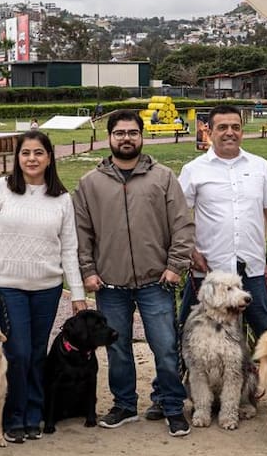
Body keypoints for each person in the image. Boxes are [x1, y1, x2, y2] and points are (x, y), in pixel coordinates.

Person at [174, 104, 267, 419]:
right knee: (187, 333)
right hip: (209, 273)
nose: (230, 133)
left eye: (235, 126)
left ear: (242, 129)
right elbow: (179, 215)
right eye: (222, 127)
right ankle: (172, 393)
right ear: (209, 130)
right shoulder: (195, 169)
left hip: (251, 267)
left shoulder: (260, 166)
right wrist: (190, 249)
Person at [73, 110, 195, 437]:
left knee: (166, 346)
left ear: (142, 136)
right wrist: (88, 270)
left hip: (157, 281)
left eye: (132, 132)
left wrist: (175, 266)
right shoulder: (90, 183)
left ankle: (172, 405)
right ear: (109, 138)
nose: (126, 138)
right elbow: (81, 233)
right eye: (119, 133)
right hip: (110, 284)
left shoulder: (163, 177)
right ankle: (124, 405)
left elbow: (182, 225)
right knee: (117, 348)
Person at [0, 130, 87, 443]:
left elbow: (69, 248)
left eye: (39, 153)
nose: (32, 159)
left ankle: (34, 415)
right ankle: (13, 416)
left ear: (49, 157)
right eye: (26, 153)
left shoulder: (62, 198)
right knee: (19, 352)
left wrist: (77, 294)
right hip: (8, 286)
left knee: (38, 353)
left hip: (48, 286)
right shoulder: (0, 189)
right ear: (17, 158)